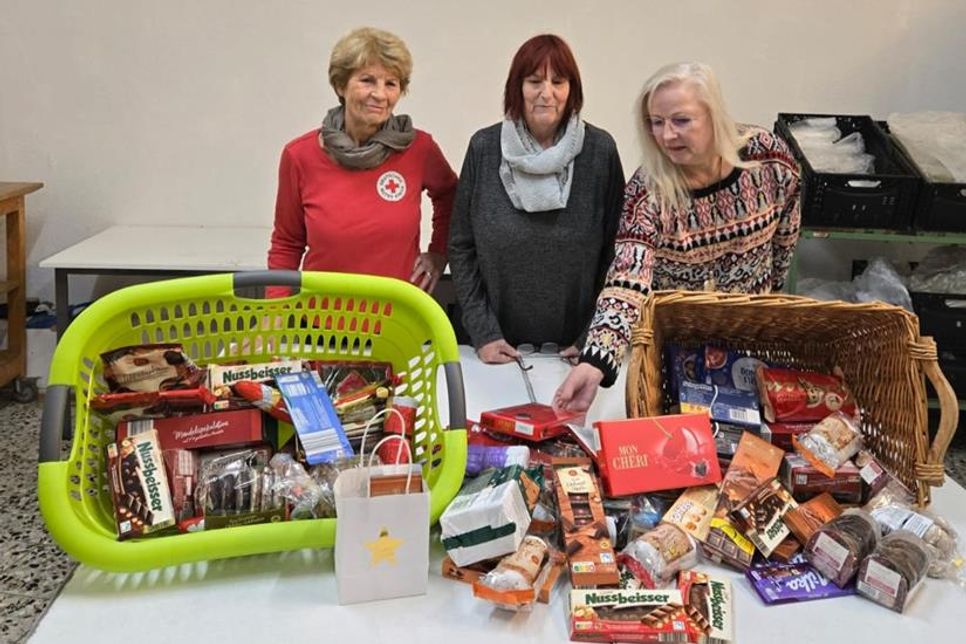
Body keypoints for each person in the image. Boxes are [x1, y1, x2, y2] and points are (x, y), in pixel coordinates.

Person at [554, 61, 801, 411]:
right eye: (656, 122)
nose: (667, 135)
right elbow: (626, 281)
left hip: (751, 347)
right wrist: (595, 363)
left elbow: (786, 239)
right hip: (676, 358)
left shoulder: (769, 158)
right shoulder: (647, 191)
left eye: (681, 120)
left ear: (713, 115)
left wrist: (769, 305)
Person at [448, 34, 625, 364]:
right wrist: (484, 333)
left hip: (576, 354)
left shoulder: (600, 152)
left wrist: (595, 337)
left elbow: (620, 254)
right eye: (534, 81)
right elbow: (461, 246)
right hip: (492, 353)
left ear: (573, 89)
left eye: (558, 81)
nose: (547, 93)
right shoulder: (484, 148)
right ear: (517, 87)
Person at [267, 27, 457, 297]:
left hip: (399, 322)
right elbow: (287, 243)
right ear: (340, 85)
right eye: (367, 80)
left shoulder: (419, 148)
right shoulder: (300, 156)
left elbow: (452, 196)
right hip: (322, 323)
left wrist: (439, 253)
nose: (380, 94)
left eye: (391, 84)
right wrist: (274, 313)